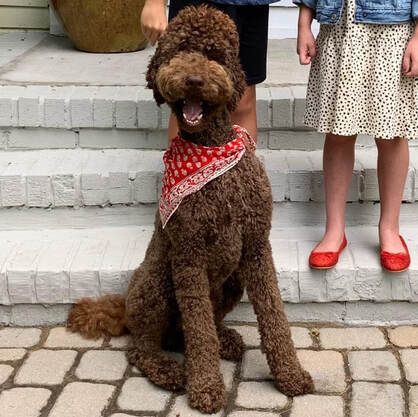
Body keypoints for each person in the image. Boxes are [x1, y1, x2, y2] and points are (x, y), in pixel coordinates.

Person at [295, 0, 418, 272]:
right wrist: (304, 24)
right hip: (339, 28)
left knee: (392, 132)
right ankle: (334, 231)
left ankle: (390, 228)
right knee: (338, 130)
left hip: (392, 31)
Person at [140, 0, 277, 141]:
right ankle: (182, 162)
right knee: (181, 97)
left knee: (243, 102)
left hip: (252, 4)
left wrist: (302, 5)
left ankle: (236, 161)